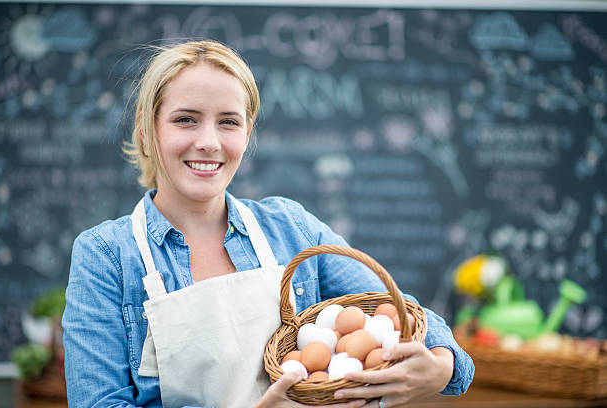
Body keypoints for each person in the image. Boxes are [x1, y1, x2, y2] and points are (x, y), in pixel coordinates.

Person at [62, 40, 474, 408]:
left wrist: (442, 365)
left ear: (247, 133)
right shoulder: (106, 256)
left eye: (228, 121)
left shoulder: (290, 227)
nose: (209, 141)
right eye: (186, 119)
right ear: (146, 130)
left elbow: (399, 309)